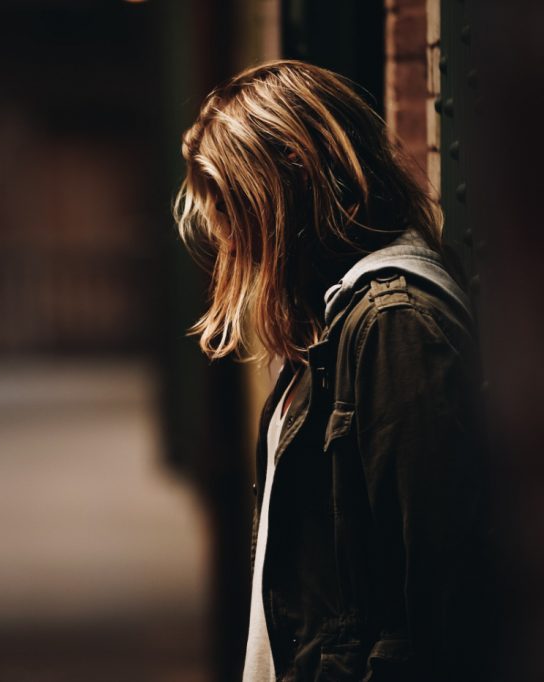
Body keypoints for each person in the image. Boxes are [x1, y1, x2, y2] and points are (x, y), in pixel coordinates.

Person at [174, 59, 499, 681]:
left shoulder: (393, 324)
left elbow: (440, 602)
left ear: (292, 174)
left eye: (233, 206)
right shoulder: (338, 319)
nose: (229, 240)